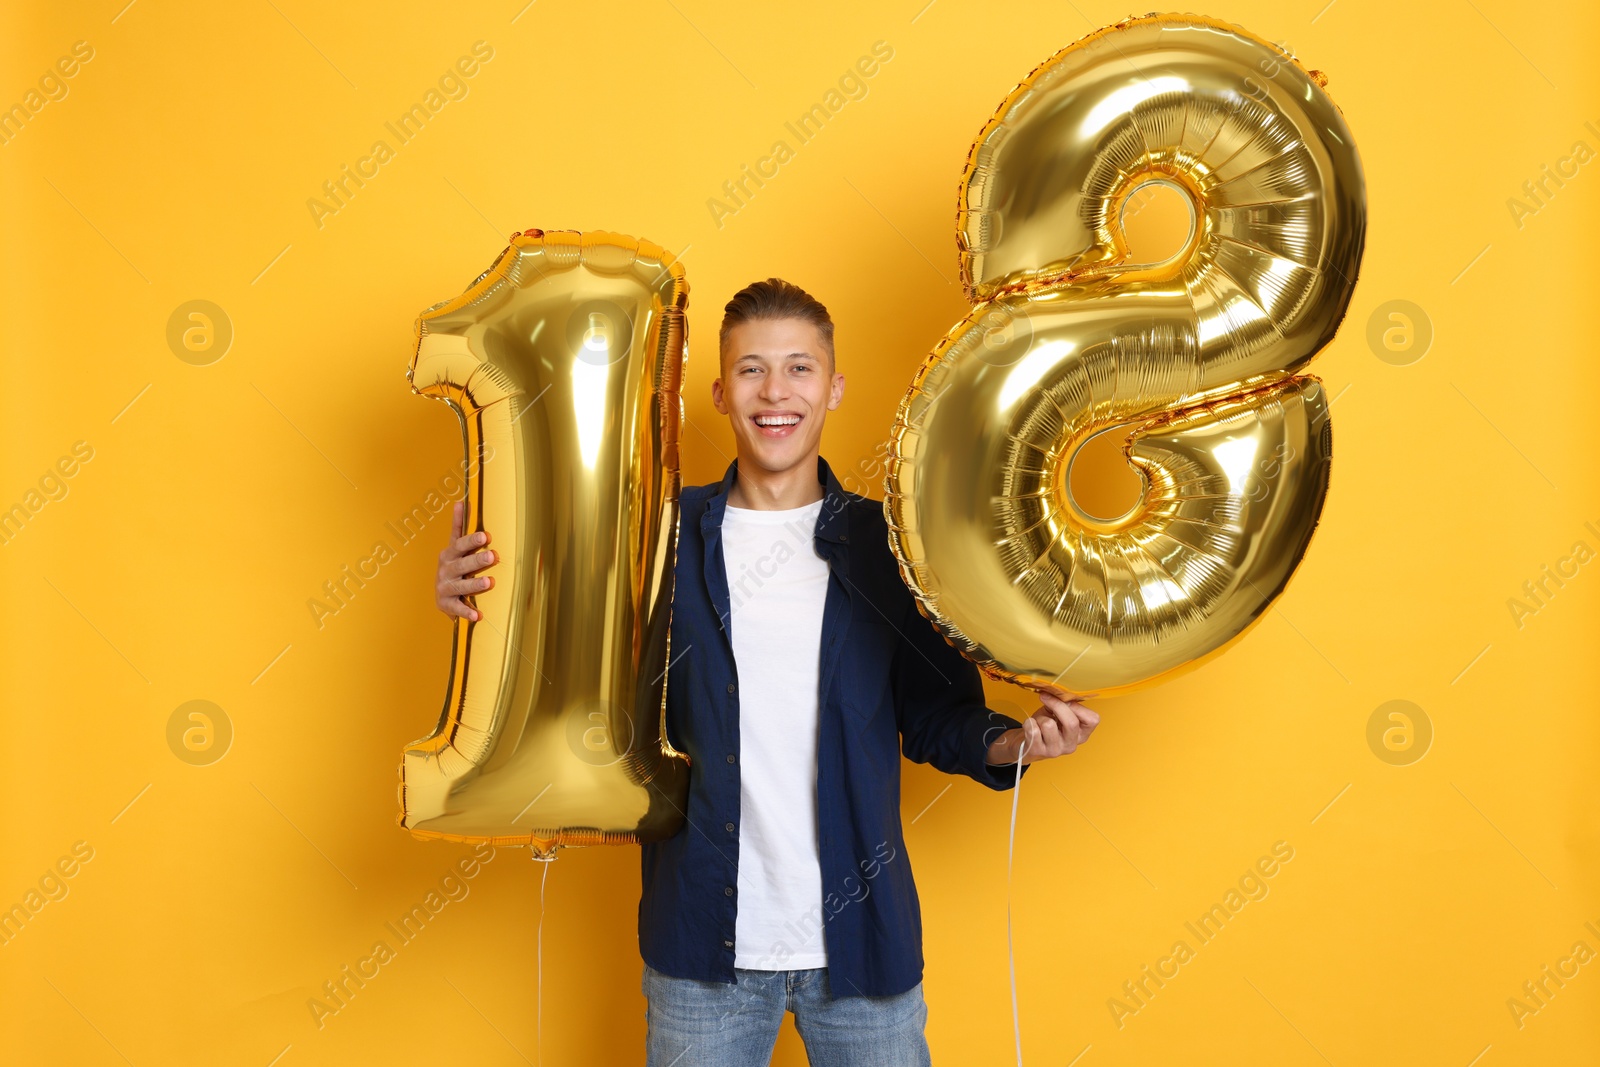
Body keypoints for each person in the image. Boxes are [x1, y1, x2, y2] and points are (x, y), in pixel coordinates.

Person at [435, 278, 1099, 1065]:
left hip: (862, 950)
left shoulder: (892, 548)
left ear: (834, 387)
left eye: (799, 368)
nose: (775, 391)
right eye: (751, 370)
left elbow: (934, 717)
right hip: (701, 953)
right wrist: (480, 598)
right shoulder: (657, 539)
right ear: (719, 392)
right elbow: (571, 661)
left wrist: (1018, 742)